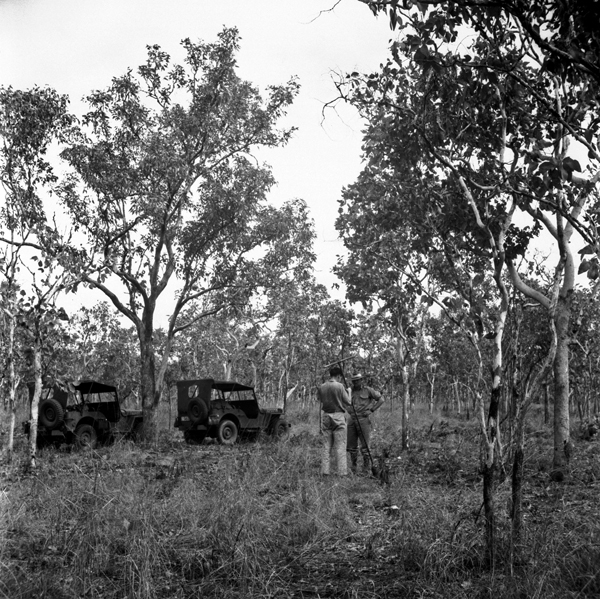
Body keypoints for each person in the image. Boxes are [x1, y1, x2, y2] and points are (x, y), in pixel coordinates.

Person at [317, 366, 352, 477]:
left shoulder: (322, 386)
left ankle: (325, 471)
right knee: (340, 445)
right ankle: (342, 473)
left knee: (326, 446)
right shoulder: (340, 386)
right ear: (338, 376)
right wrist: (349, 392)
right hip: (338, 416)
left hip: (326, 416)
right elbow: (348, 402)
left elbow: (320, 399)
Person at [347, 373, 384, 475]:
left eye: (357, 380)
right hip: (352, 419)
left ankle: (365, 469)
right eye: (354, 380)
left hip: (363, 419)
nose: (355, 382)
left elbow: (381, 399)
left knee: (365, 445)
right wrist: (348, 409)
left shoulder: (368, 390)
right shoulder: (350, 391)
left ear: (361, 380)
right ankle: (353, 468)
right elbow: (344, 402)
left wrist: (371, 410)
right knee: (351, 445)